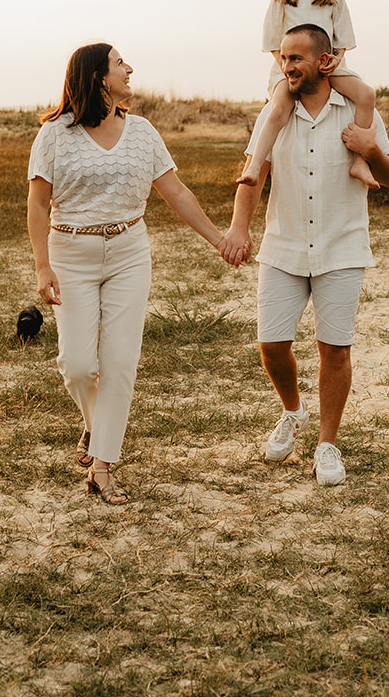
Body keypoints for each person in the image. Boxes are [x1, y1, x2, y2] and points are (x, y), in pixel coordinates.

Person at [28, 42, 235, 506]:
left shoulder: (141, 132)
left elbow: (177, 194)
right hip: (71, 254)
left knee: (120, 362)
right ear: (99, 76)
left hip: (128, 253)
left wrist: (218, 239)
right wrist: (42, 265)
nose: (130, 69)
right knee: (78, 365)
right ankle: (94, 425)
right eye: (121, 63)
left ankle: (102, 467)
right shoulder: (54, 134)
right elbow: (38, 203)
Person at [221, 24, 389, 486]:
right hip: (283, 246)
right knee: (272, 344)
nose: (287, 67)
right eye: (283, 58)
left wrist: (371, 149)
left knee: (334, 349)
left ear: (325, 61)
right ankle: (292, 412)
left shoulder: (358, 110)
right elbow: (254, 173)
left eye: (296, 59)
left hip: (342, 247)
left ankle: (327, 444)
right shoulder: (274, 113)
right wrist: (240, 227)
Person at [239, 0, 379, 189]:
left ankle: (359, 161)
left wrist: (335, 61)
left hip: (327, 69)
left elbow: (342, 42)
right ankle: (256, 166)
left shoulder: (333, 0)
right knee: (278, 109)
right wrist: (287, 66)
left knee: (366, 94)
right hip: (289, 71)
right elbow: (272, 44)